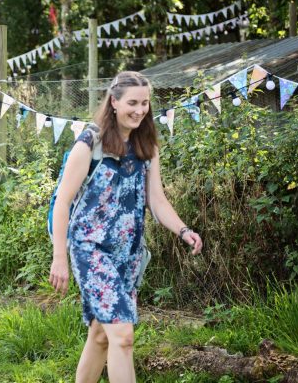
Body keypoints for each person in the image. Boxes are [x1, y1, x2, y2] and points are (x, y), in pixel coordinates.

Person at [49, 71, 203, 383]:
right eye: (132, 103)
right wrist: (59, 257)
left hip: (129, 254)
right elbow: (62, 202)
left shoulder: (147, 145)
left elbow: (156, 200)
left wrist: (183, 230)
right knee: (123, 336)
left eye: (145, 103)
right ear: (114, 102)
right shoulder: (89, 143)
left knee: (101, 337)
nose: (140, 110)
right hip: (90, 249)